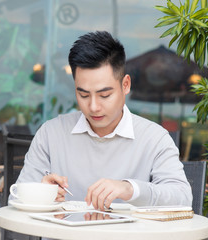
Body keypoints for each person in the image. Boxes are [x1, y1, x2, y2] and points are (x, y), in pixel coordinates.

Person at [14, 31, 192, 210]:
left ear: (126, 85)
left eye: (104, 95)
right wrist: (40, 194)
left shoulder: (154, 138)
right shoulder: (51, 133)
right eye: (83, 94)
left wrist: (130, 189)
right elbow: (15, 202)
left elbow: (182, 198)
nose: (93, 107)